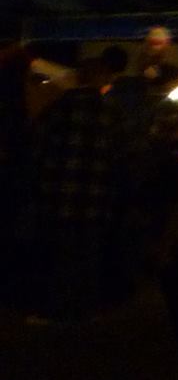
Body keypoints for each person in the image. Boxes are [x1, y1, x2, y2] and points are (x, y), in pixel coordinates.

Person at [29, 51, 135, 322]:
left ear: (78, 78)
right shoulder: (112, 112)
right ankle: (84, 309)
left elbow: (38, 149)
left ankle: (54, 310)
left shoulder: (59, 108)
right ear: (103, 80)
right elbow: (122, 155)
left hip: (59, 194)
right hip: (96, 197)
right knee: (87, 255)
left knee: (57, 255)